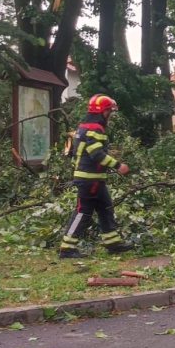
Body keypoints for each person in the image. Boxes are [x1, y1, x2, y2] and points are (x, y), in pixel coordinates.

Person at [57, 94, 134, 258]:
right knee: (83, 211)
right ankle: (67, 248)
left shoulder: (84, 126)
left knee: (105, 207)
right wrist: (118, 165)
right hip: (89, 178)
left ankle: (112, 242)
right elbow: (96, 153)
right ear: (102, 112)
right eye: (109, 112)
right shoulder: (95, 129)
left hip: (92, 178)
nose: (110, 115)